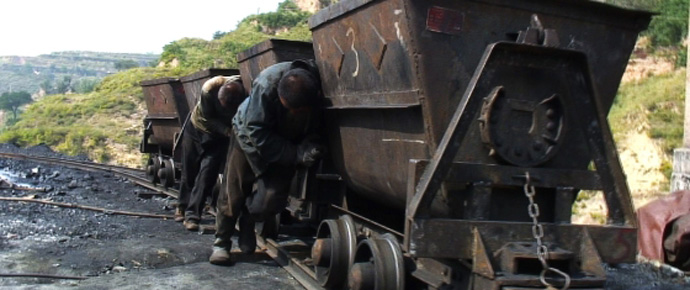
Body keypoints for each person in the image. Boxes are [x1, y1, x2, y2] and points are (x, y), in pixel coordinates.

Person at [209, 60, 323, 265]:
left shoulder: (315, 86)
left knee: (272, 200)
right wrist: (295, 154)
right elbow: (256, 132)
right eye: (289, 109)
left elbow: (316, 127)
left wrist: (309, 146)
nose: (295, 113)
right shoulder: (266, 84)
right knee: (233, 191)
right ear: (279, 96)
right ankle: (222, 242)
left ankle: (248, 219)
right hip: (247, 134)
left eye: (298, 111)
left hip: (285, 140)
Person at [177, 75, 247, 231]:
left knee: (207, 176)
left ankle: (192, 216)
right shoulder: (209, 88)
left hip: (219, 138)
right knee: (189, 170)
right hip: (197, 129)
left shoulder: (245, 88)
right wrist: (227, 130)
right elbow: (208, 118)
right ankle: (181, 206)